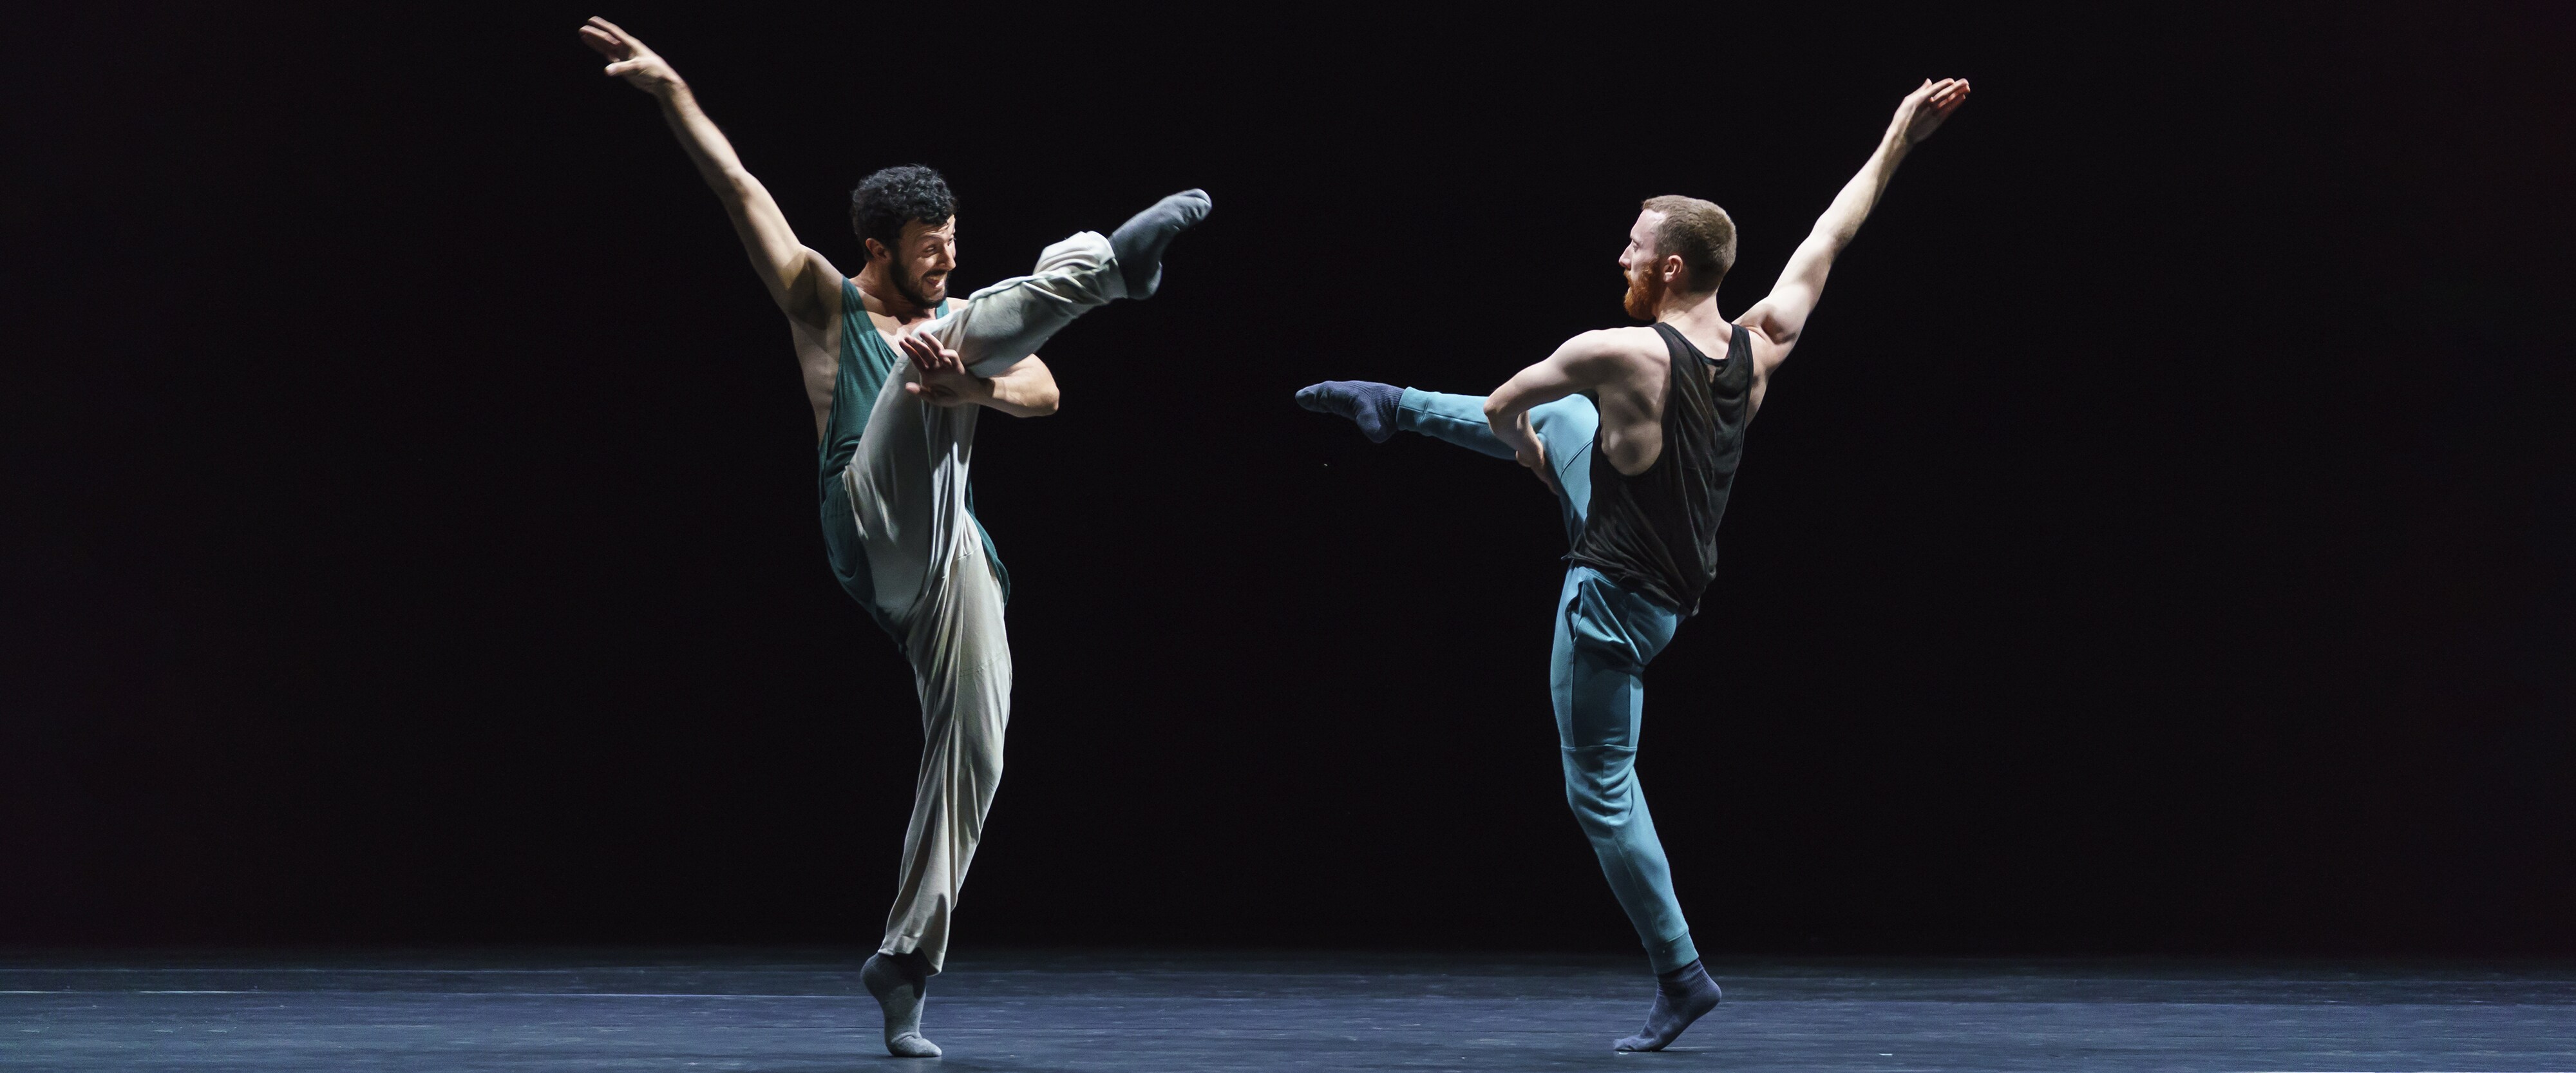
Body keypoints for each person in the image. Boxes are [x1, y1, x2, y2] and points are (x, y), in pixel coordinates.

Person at [578, 17, 1209, 1058]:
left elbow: (1046, 390)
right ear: (876, 249)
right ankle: (1103, 267)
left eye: (953, 240)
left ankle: (905, 963)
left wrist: (977, 393)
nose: (948, 258)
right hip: (870, 516)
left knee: (977, 750)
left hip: (955, 549)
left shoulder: (960, 316)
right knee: (943, 344)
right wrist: (674, 94)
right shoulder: (823, 302)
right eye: (929, 246)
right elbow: (739, 190)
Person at [1298, 77, 1970, 1052]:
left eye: (1634, 244)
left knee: (1601, 789)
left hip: (1612, 599)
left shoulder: (1617, 350)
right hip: (1678, 578)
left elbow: (1504, 406)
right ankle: (1389, 403)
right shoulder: (1760, 342)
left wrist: (1529, 458)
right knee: (1576, 419)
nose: (1621, 254)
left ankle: (1681, 974)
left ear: (1669, 266)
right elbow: (1831, 234)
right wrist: (1898, 140)